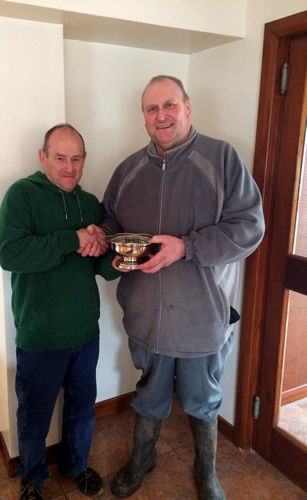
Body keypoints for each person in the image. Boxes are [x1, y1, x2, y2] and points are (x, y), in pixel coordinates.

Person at [94, 75, 265, 499]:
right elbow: (112, 222)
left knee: (202, 401)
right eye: (152, 109)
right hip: (145, 316)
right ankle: (142, 459)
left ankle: (206, 473)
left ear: (188, 108)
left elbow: (249, 228)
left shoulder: (222, 158)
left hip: (201, 318)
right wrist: (111, 248)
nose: (161, 116)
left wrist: (186, 246)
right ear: (144, 118)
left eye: (169, 105)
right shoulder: (128, 169)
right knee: (149, 394)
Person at [0, 124, 119, 500]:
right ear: (43, 157)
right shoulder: (22, 195)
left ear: (84, 160)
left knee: (82, 410)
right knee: (34, 417)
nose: (69, 167)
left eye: (76, 158)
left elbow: (100, 267)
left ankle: (76, 466)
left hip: (85, 332)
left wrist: (122, 259)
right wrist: (74, 238)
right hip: (40, 335)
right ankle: (32, 480)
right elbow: (10, 254)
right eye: (60, 158)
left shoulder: (90, 203)